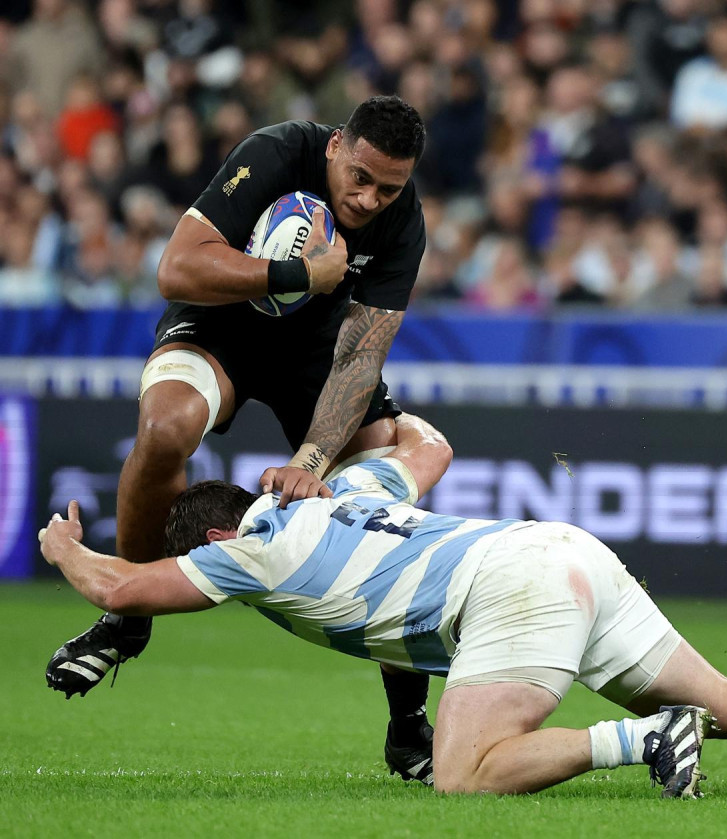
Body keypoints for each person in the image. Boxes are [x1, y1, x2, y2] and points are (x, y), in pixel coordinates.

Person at [39, 412, 727, 798]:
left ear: (210, 540)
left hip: (507, 589)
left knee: (463, 773)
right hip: (558, 549)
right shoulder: (343, 492)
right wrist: (323, 451)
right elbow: (426, 438)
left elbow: (120, 584)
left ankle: (643, 740)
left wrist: (63, 547)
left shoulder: (246, 546)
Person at [44, 95, 438, 784]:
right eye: (362, 177)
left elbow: (362, 355)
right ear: (337, 144)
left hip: (318, 354)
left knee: (384, 496)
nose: (371, 198)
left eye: (389, 188)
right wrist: (296, 275)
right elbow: (176, 269)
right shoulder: (278, 151)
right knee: (166, 427)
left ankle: (408, 724)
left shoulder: (403, 222)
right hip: (220, 323)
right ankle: (128, 618)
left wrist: (312, 459)